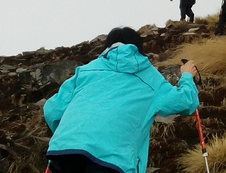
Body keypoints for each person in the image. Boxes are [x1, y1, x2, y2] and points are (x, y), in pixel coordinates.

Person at [44, 26, 200, 173]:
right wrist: (187, 76)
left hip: (65, 152)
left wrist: (74, 137)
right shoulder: (149, 76)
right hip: (113, 160)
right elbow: (186, 102)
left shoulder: (86, 70)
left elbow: (52, 110)